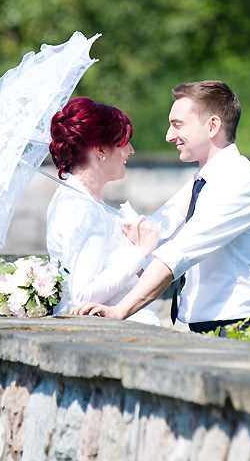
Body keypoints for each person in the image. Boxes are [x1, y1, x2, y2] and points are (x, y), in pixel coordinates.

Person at [70, 80, 250, 334]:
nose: (169, 136)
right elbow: (157, 230)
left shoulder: (239, 183)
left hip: (236, 329)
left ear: (213, 126)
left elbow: (173, 256)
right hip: (210, 328)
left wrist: (119, 311)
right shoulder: (204, 180)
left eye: (177, 125)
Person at [45, 97, 164, 325]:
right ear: (100, 149)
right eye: (124, 142)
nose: (131, 150)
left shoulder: (83, 200)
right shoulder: (80, 208)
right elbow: (83, 294)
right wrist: (140, 251)